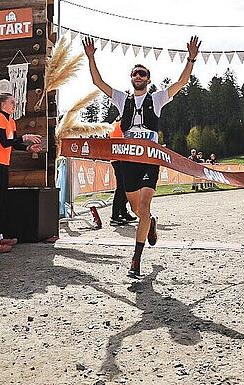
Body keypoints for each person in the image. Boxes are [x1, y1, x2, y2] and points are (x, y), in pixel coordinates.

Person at [83, 35, 201, 278]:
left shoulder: (156, 99)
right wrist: (91, 57)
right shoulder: (121, 99)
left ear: (148, 80)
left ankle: (136, 258)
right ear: (131, 78)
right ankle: (151, 223)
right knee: (138, 209)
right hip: (128, 161)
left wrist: (190, 58)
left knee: (144, 205)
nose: (138, 76)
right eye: (135, 73)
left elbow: (181, 82)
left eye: (142, 74)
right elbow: (98, 82)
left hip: (149, 159)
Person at [0, 93, 42, 253]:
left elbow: (13, 144)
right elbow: (4, 142)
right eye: (12, 102)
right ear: (3, 105)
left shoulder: (11, 121)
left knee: (2, 202)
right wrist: (26, 137)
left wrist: (28, 147)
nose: (15, 104)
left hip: (2, 164)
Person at [110, 118, 137, 226]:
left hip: (119, 158)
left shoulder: (116, 124)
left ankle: (122, 212)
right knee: (122, 187)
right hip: (120, 158)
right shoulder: (122, 124)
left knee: (124, 187)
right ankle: (115, 216)